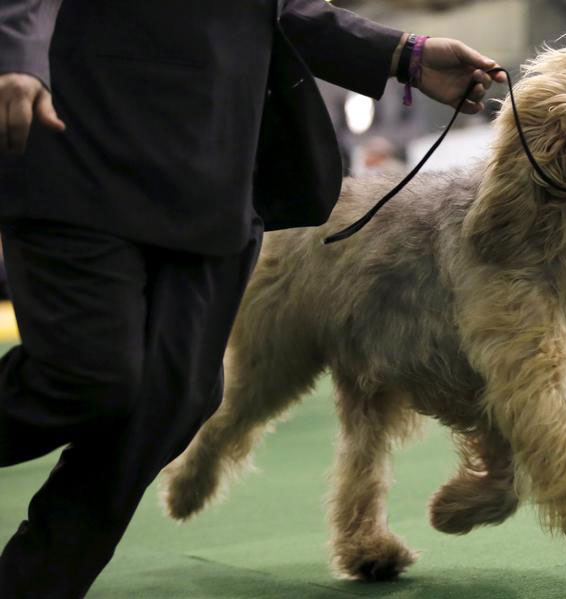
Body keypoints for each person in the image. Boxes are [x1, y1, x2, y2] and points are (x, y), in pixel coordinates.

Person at [0, 1, 504, 596]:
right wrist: (14, 54)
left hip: (216, 170)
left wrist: (402, 55)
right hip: (76, 135)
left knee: (177, 399)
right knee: (88, 377)